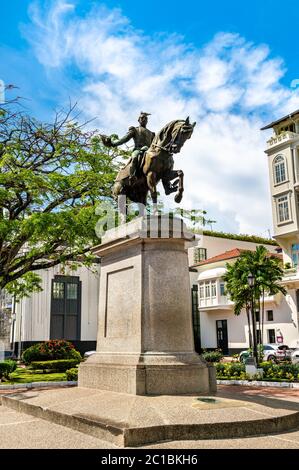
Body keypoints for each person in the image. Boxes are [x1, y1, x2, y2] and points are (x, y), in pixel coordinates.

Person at [102, 112, 155, 182]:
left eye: (145, 118)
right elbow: (124, 139)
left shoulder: (151, 133)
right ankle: (132, 176)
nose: (143, 119)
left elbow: (154, 145)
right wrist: (113, 143)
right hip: (138, 150)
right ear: (138, 120)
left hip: (148, 151)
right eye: (142, 118)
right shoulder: (135, 130)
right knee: (135, 157)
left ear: (147, 121)